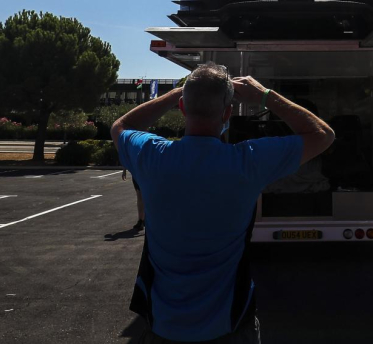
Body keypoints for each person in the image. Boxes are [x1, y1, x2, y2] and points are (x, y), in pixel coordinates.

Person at [111, 64, 335, 343]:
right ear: (228, 113)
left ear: (182, 108)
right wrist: (265, 95)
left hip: (163, 326)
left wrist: (178, 93)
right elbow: (323, 135)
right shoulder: (248, 162)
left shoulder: (151, 156)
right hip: (229, 326)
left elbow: (120, 126)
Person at [122, 167, 145, 234]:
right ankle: (141, 220)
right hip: (137, 172)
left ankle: (142, 220)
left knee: (141, 196)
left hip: (142, 171)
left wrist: (124, 171)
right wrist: (124, 170)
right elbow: (126, 157)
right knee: (140, 196)